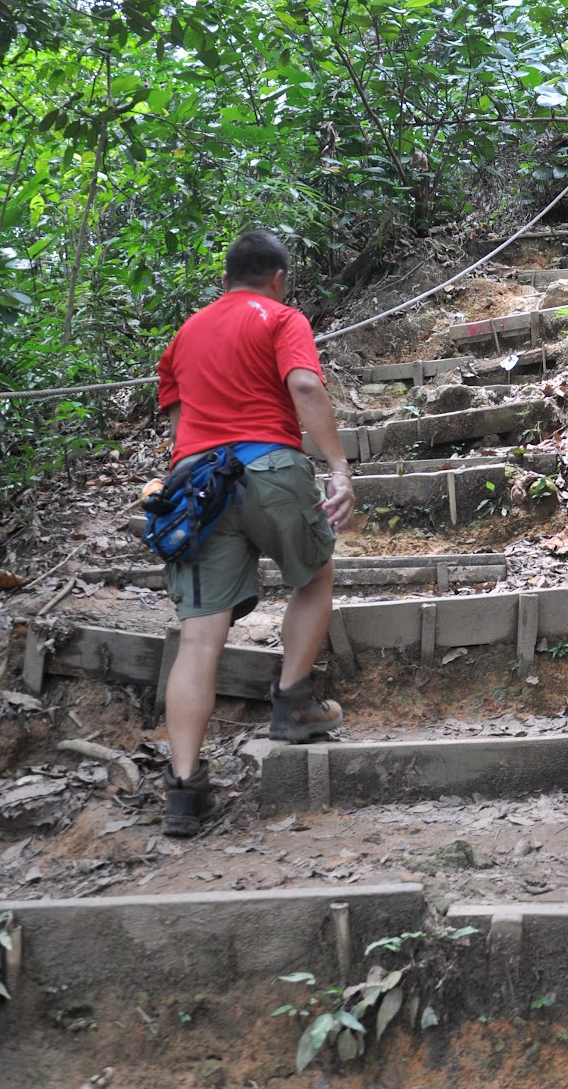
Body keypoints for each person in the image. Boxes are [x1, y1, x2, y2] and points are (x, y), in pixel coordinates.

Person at [154, 228, 355, 837]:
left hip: (198, 483)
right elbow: (303, 385)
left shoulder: (185, 333)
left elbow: (181, 422)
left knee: (197, 641)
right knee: (314, 574)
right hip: (269, 467)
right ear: (277, 278)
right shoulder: (281, 316)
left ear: (223, 280)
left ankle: (185, 791)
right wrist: (339, 467)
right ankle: (293, 702)